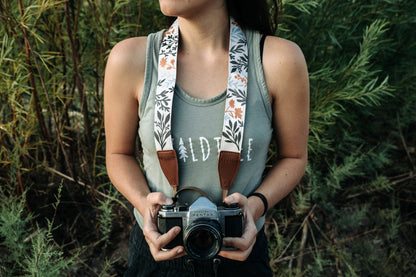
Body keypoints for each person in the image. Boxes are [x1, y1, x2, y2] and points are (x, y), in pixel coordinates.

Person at [104, 0, 309, 276]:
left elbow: (294, 157)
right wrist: (146, 206)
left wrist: (255, 206)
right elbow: (118, 154)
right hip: (159, 253)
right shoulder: (130, 59)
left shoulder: (278, 60)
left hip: (239, 256)